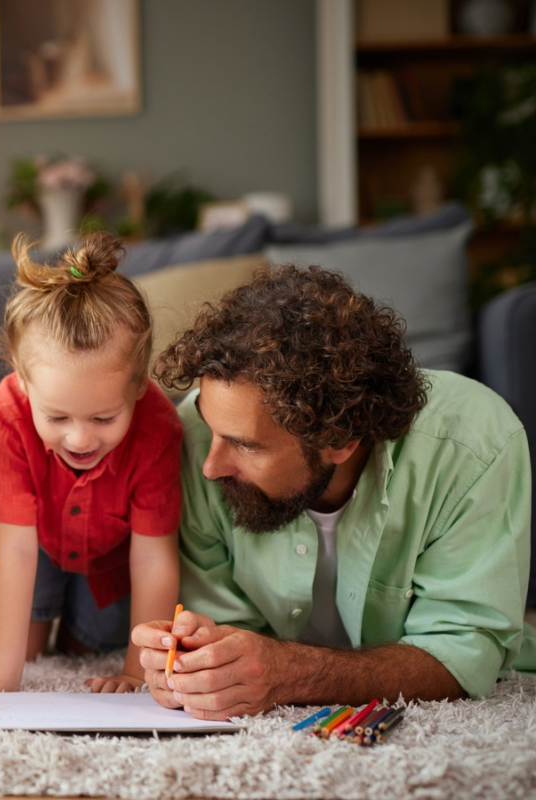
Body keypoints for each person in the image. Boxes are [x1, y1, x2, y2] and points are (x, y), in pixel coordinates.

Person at [133, 264, 535, 720]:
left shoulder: (474, 443)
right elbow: (224, 625)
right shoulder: (194, 434)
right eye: (212, 431)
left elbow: (465, 654)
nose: (211, 466)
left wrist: (293, 673)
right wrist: (200, 657)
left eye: (245, 445)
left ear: (341, 439)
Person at [0, 233, 183, 694]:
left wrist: (136, 673)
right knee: (26, 649)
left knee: (86, 647)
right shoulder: (4, 413)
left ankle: (80, 618)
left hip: (111, 560)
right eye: (56, 416)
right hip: (37, 544)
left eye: (104, 417)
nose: (79, 438)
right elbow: (14, 552)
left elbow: (154, 559)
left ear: (139, 387)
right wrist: (2, 678)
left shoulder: (160, 426)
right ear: (23, 381)